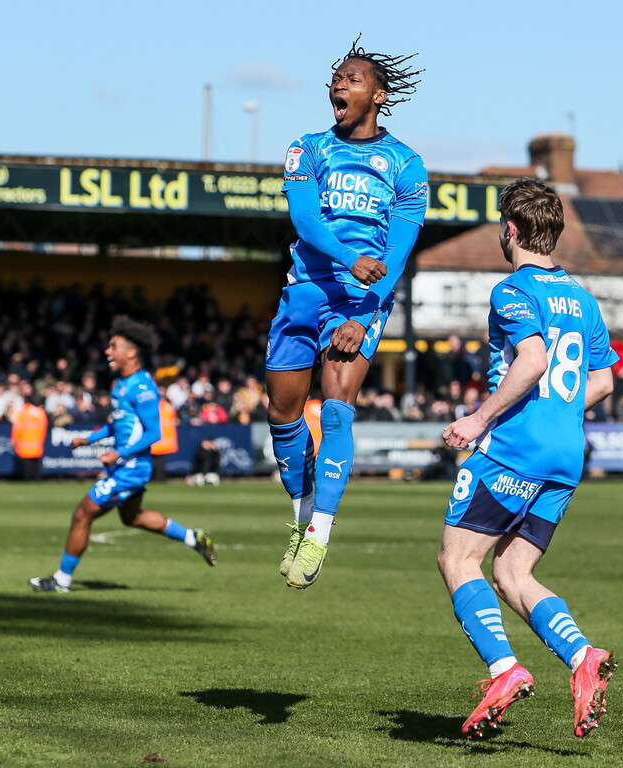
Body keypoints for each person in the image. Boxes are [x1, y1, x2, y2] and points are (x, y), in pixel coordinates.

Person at [436, 178, 619, 739]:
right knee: (513, 571)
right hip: (566, 453)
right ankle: (583, 656)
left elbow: (533, 360)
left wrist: (479, 418)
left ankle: (505, 669)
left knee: (457, 560)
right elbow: (604, 381)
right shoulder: (583, 298)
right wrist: (558, 413)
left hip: (515, 446)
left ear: (510, 229)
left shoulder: (512, 290)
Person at [265, 37, 427, 589]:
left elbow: (399, 252)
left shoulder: (406, 165)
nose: (340, 84)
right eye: (336, 78)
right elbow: (305, 222)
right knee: (283, 412)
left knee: (336, 405)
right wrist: (348, 257)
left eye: (353, 79)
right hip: (305, 289)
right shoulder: (306, 148)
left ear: (378, 95)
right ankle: (303, 513)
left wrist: (368, 309)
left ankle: (320, 533)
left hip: (358, 301)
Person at [29, 316, 215, 594]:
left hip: (132, 466)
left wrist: (119, 453)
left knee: (82, 515)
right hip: (126, 464)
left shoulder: (142, 388)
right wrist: (89, 439)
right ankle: (193, 537)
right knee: (132, 518)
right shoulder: (121, 385)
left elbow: (155, 433)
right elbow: (116, 424)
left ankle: (62, 581)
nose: (107, 352)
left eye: (113, 346)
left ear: (131, 352)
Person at [11, 395, 48, 481]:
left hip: (25, 442)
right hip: (37, 442)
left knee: (27, 464)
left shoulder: (23, 412)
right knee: (35, 462)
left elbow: (17, 427)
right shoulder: (40, 412)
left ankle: (29, 479)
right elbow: (45, 426)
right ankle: (37, 478)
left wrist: (14, 439)